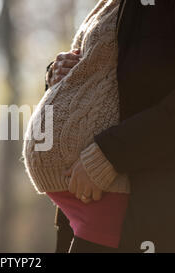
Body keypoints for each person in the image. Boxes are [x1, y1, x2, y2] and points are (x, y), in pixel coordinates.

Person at [49, 0, 175, 253]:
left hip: (170, 208)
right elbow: (123, 73)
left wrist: (111, 153)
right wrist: (63, 74)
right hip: (93, 208)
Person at [23, 0, 130, 253]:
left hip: (102, 188)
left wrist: (109, 153)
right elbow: (93, 66)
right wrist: (55, 73)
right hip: (76, 200)